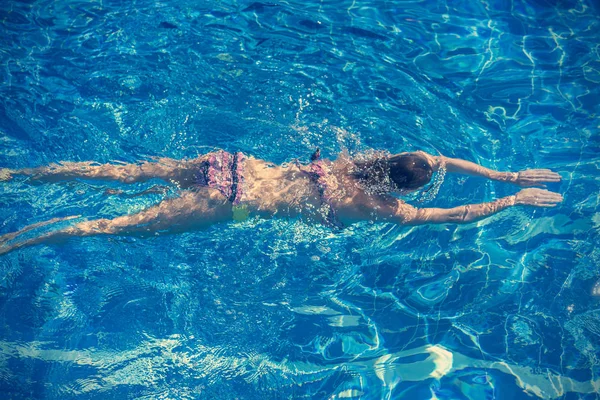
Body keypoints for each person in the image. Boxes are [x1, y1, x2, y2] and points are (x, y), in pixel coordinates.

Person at [0, 149, 562, 255]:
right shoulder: (379, 207)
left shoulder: (356, 158)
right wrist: (510, 197)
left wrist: (499, 171)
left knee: (120, 176)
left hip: (231, 165)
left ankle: (15, 172)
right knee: (109, 227)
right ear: (403, 187)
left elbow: (436, 157)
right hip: (231, 201)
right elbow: (451, 215)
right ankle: (16, 241)